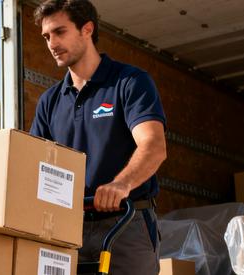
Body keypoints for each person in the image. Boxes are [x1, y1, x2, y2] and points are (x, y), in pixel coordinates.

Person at [29, 0, 168, 273]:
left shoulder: (129, 82)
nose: (51, 43)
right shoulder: (50, 101)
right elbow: (35, 164)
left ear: (87, 29)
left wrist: (121, 185)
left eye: (60, 32)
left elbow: (153, 146)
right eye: (46, 36)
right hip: (68, 230)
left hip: (126, 224)